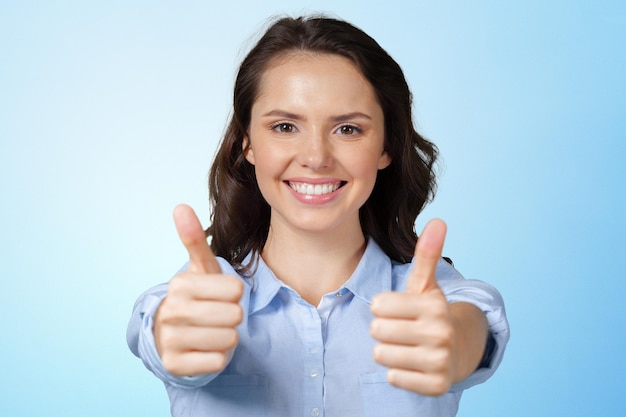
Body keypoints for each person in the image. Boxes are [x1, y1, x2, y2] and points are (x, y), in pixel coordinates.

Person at [127, 15, 509, 417]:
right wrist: (178, 339)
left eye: (347, 130)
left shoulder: (435, 297)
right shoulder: (196, 297)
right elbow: (160, 328)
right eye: (285, 125)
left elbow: (472, 325)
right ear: (248, 144)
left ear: (385, 147)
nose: (315, 158)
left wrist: (453, 343)